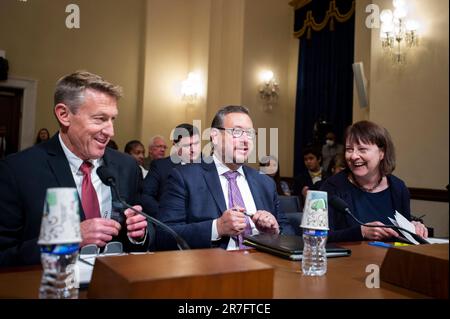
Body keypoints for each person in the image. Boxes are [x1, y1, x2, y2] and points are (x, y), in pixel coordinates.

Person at [0, 71, 150, 267]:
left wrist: (138, 234)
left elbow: (142, 234)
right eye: (100, 119)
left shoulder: (127, 166)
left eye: (112, 119)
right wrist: (71, 238)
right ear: (64, 115)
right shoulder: (17, 171)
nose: (110, 131)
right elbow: (4, 255)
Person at [156, 105, 294, 251]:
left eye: (250, 134)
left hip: (263, 267)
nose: (246, 140)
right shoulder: (185, 177)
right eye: (237, 132)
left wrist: (275, 232)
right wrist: (217, 228)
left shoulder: (265, 183)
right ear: (214, 136)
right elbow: (164, 236)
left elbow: (289, 234)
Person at [320, 120, 428, 242]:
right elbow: (319, 236)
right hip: (349, 260)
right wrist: (361, 232)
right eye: (349, 149)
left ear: (382, 153)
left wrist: (413, 227)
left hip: (390, 258)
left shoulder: (398, 188)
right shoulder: (332, 187)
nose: (354, 156)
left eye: (362, 149)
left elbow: (403, 235)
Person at [141, 123, 201, 217]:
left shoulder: (208, 166)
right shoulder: (161, 166)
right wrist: (165, 215)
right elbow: (146, 196)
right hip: (169, 223)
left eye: (196, 144)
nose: (193, 149)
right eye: (187, 145)